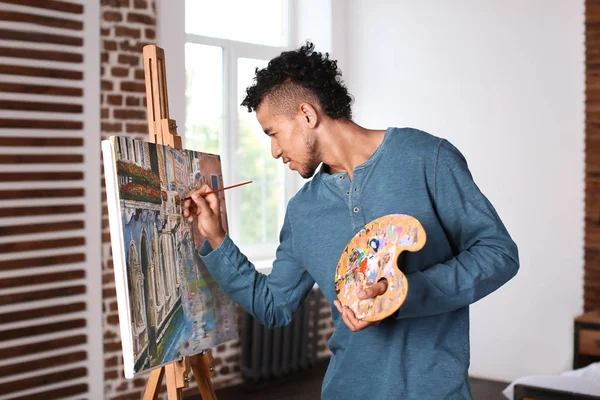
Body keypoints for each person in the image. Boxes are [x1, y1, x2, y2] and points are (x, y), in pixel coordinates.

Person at [183, 41, 519, 399]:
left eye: (273, 133)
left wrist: (404, 292)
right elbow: (273, 306)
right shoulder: (302, 212)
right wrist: (216, 239)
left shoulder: (426, 158)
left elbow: (499, 253)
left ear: (307, 115)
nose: (274, 151)